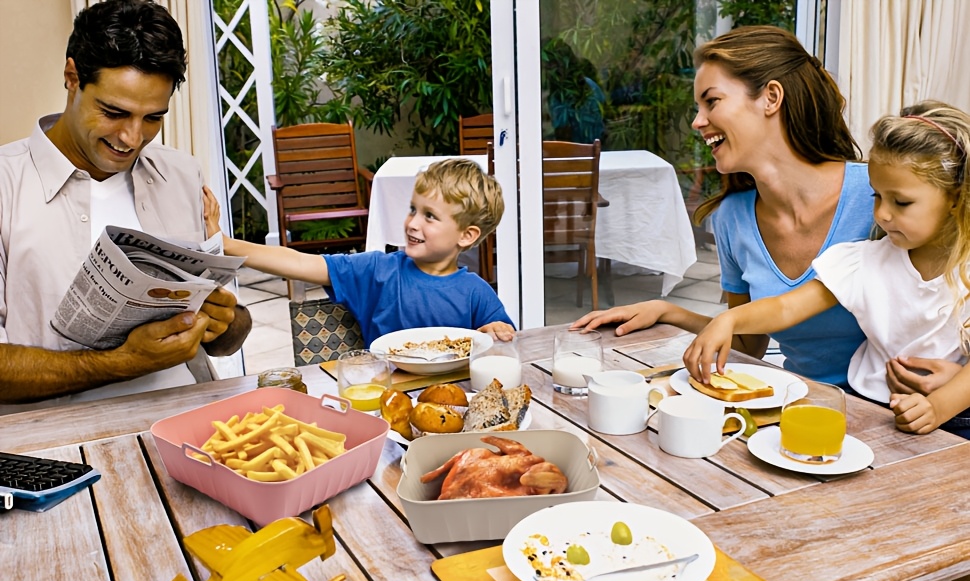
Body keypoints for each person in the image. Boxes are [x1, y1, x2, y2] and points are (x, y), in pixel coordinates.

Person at [572, 26, 874, 389]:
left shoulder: (878, 196)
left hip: (898, 413)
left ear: (771, 98)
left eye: (711, 101)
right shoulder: (733, 217)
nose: (698, 122)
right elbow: (748, 345)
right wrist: (667, 311)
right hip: (803, 407)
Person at [0, 0, 251, 410]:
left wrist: (227, 323)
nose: (132, 138)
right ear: (72, 78)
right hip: (62, 449)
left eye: (153, 118)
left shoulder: (181, 174)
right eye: (114, 112)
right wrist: (122, 363)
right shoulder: (5, 187)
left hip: (191, 423)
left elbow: (229, 337)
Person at [684, 101, 970, 438]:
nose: (882, 215)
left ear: (955, 197)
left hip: (954, 417)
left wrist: (938, 407)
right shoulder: (863, 261)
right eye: (877, 196)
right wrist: (729, 320)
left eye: (901, 202)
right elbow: (787, 306)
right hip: (865, 407)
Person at [204, 158, 516, 345]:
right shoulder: (377, 270)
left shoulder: (476, 293)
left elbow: (505, 342)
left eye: (429, 216)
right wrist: (226, 243)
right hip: (384, 402)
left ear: (466, 235)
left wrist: (495, 332)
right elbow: (299, 262)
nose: (412, 223)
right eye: (412, 209)